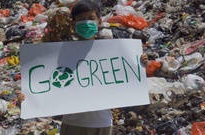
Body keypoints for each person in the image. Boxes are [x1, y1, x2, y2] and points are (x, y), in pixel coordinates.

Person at [16, 0, 149, 135]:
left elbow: (128, 80)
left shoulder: (113, 53)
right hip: (73, 124)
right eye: (81, 20)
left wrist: (140, 63)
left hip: (103, 124)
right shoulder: (59, 55)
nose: (86, 23)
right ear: (74, 24)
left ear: (99, 21)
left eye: (91, 18)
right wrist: (29, 98)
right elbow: (46, 84)